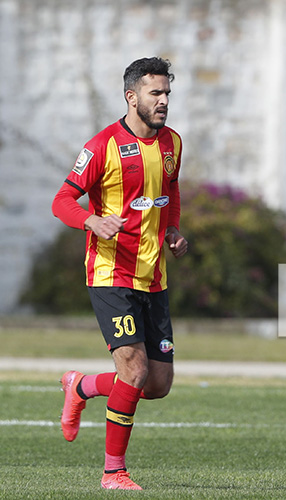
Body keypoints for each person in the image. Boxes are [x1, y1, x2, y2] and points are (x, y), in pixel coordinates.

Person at [51, 57, 187, 490]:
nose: (164, 101)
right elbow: (63, 200)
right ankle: (114, 473)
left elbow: (171, 189)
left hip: (154, 276)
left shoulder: (173, 144)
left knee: (157, 383)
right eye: (155, 93)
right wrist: (90, 221)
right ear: (131, 97)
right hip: (111, 274)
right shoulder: (101, 147)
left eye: (167, 93)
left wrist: (174, 231)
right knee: (133, 370)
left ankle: (81, 385)